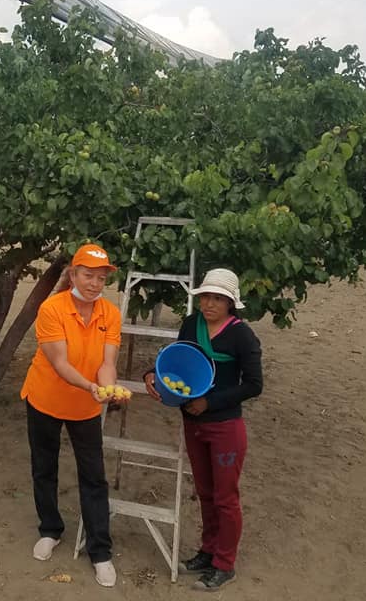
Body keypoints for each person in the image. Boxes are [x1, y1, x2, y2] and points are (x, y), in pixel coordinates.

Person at [144, 268, 262, 592]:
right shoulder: (190, 325)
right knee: (206, 492)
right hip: (193, 424)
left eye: (218, 299)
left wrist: (210, 404)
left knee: (226, 497)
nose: (209, 304)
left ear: (230, 303)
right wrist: (152, 375)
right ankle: (208, 552)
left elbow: (254, 385)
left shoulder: (242, 336)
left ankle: (225, 564)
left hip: (224, 427)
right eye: (205, 297)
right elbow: (179, 364)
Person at [20, 243, 125, 588]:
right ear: (73, 274)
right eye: (88, 275)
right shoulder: (52, 308)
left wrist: (106, 390)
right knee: (44, 466)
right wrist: (91, 386)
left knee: (94, 476)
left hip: (85, 407)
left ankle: (100, 551)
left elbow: (107, 364)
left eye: (100, 277)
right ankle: (50, 529)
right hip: (46, 398)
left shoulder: (109, 313)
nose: (95, 283)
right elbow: (60, 363)